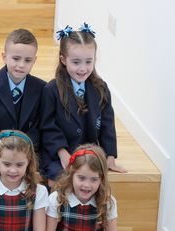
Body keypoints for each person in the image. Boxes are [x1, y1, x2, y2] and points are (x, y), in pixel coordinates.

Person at [39, 23, 125, 183]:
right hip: (59, 154)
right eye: (76, 62)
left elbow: (107, 124)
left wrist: (110, 155)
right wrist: (62, 153)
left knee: (92, 179)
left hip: (89, 152)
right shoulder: (51, 89)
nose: (83, 68)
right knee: (59, 178)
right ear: (63, 59)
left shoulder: (100, 88)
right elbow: (48, 126)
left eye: (88, 62)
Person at [0, 28, 45, 169]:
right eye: (16, 58)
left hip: (26, 155)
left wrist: (23, 152)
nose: (21, 65)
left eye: (28, 60)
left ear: (34, 60)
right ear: (4, 57)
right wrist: (0, 153)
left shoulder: (41, 88)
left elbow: (38, 127)